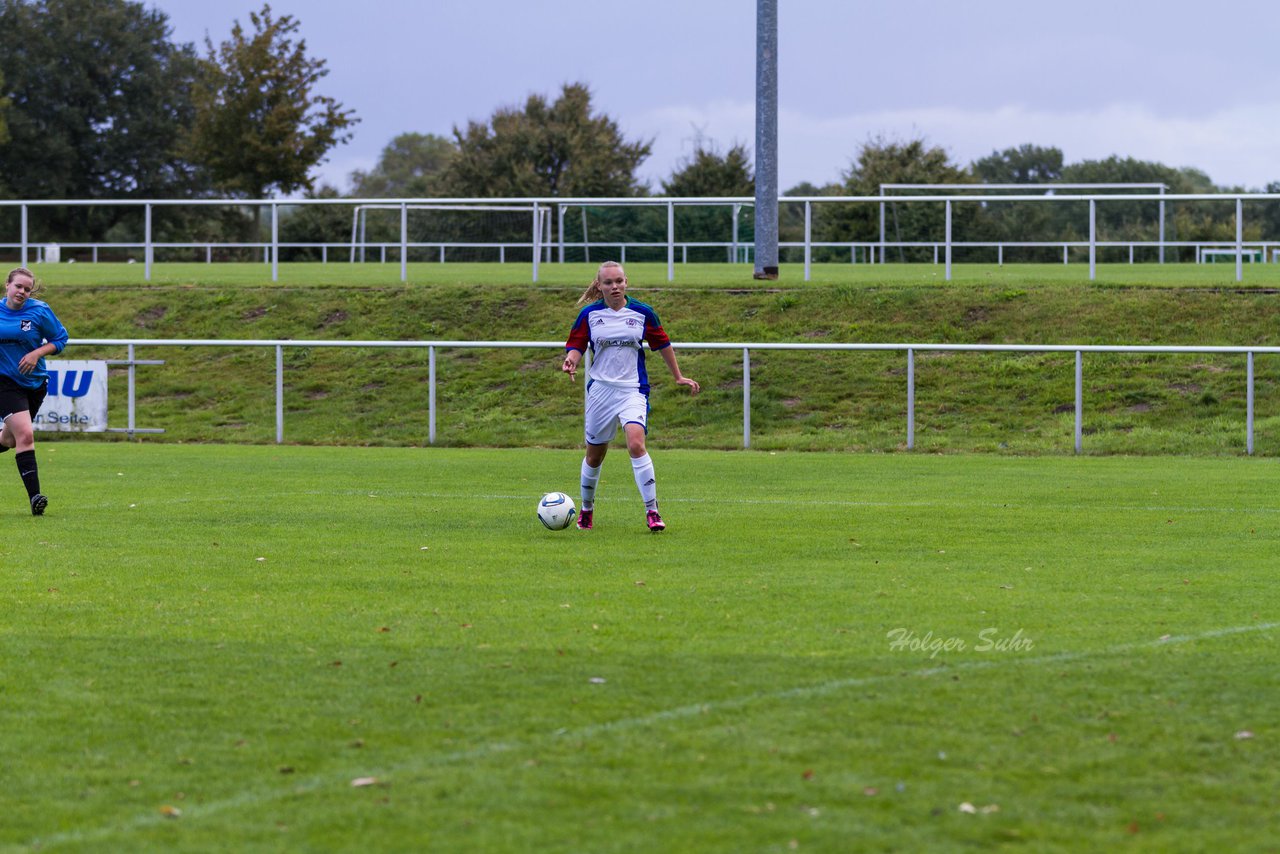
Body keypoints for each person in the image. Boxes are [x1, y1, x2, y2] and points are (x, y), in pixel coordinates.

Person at [562, 261, 699, 532]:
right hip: (600, 391)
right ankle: (587, 510)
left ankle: (653, 511)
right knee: (594, 456)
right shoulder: (589, 314)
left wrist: (678, 376)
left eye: (619, 281)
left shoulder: (642, 312)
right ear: (599, 286)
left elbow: (663, 344)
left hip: (632, 390)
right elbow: (577, 344)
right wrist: (571, 360)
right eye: (609, 283)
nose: (615, 287)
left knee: (636, 444)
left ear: (626, 282)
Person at [0, 267, 70, 515]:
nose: (22, 292)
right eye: (18, 286)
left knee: (8, 439)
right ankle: (35, 498)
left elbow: (61, 339)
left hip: (35, 383)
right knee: (26, 436)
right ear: (7, 285)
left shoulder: (40, 311)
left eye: (27, 289)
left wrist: (37, 352)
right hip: (5, 384)